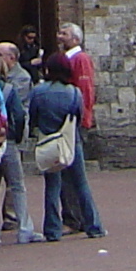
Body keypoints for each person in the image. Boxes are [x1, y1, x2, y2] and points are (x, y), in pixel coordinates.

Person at [29, 52, 102, 239]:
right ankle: (93, 225)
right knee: (81, 184)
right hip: (70, 140)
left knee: (52, 186)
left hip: (48, 141)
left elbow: (33, 117)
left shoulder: (38, 91)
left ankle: (53, 230)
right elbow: (77, 116)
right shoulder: (74, 92)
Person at [0, 43, 37, 244]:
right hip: (6, 139)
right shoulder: (9, 88)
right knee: (16, 185)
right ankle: (24, 228)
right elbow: (18, 114)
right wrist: (16, 137)